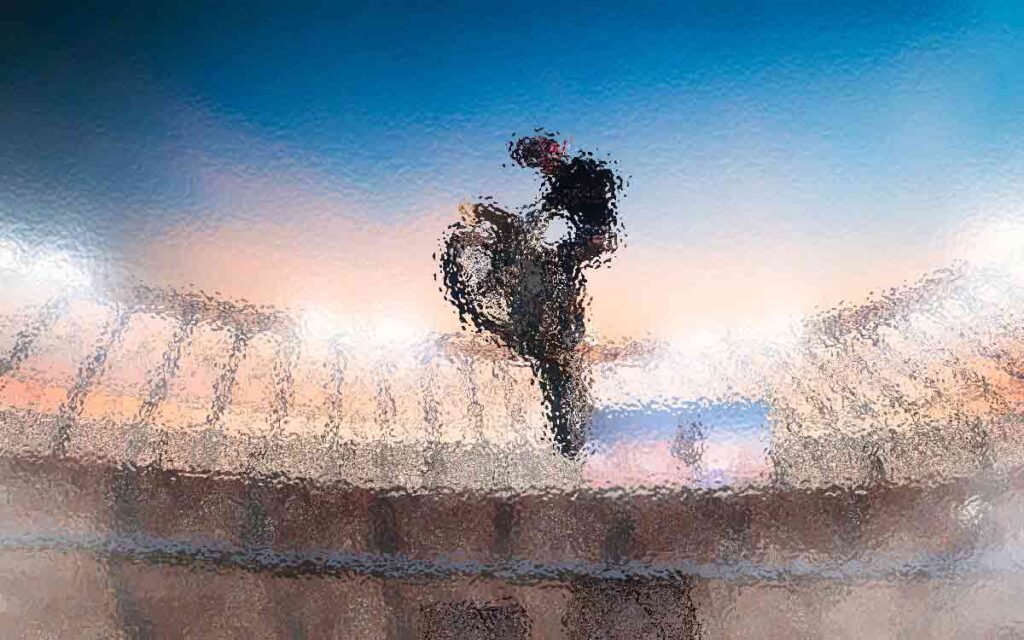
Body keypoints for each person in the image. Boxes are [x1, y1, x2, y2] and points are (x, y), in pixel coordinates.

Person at [440, 132, 624, 457]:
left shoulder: (583, 173)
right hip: (579, 243)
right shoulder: (557, 187)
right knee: (542, 260)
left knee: (559, 267)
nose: (541, 165)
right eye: (534, 161)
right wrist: (532, 225)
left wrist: (592, 227)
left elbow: (599, 192)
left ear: (554, 152)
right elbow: (542, 216)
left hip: (593, 238)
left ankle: (566, 327)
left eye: (541, 157)